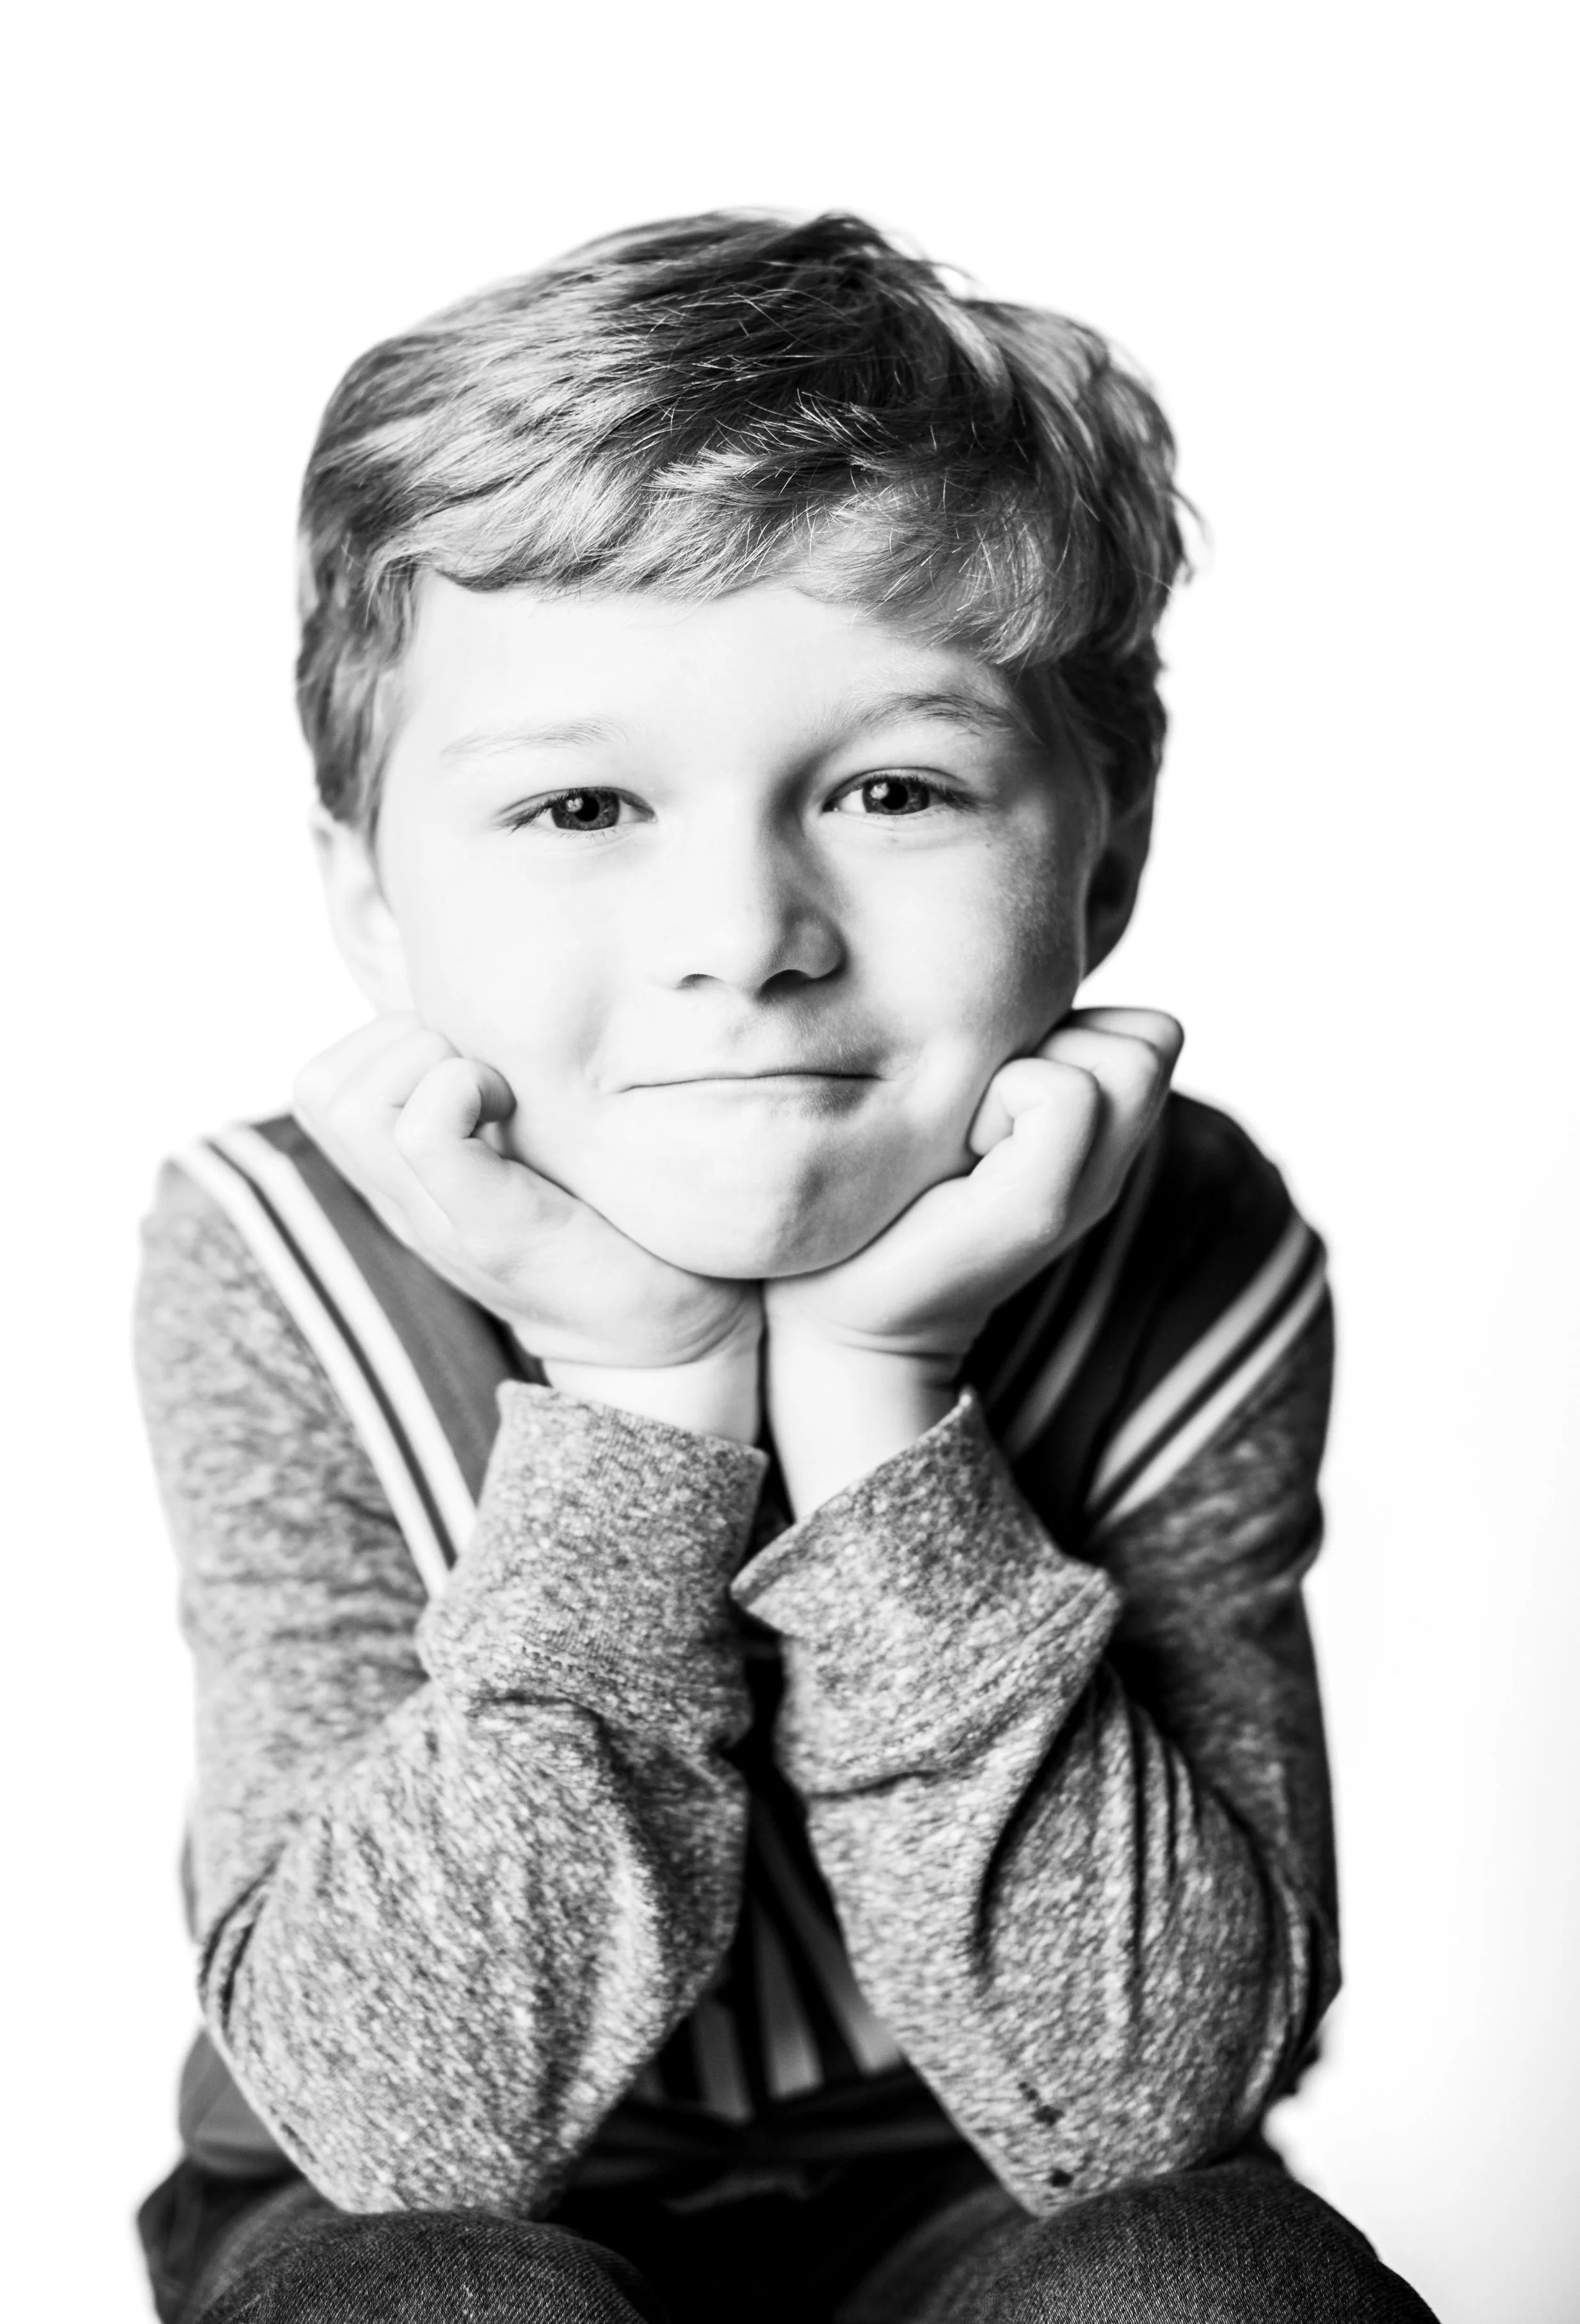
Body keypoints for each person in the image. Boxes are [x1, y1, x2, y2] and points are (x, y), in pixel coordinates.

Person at [134, 210, 1436, 2321]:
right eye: (578, 809)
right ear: (372, 899)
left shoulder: (1194, 1239)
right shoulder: (273, 1249)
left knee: (1200, 2277)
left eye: (896, 786)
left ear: (1104, 849)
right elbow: (402, 2129)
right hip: (438, 2201)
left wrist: (880, 1389)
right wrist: (640, 1401)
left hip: (982, 2185)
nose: (743, 932)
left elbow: (1144, 2106)